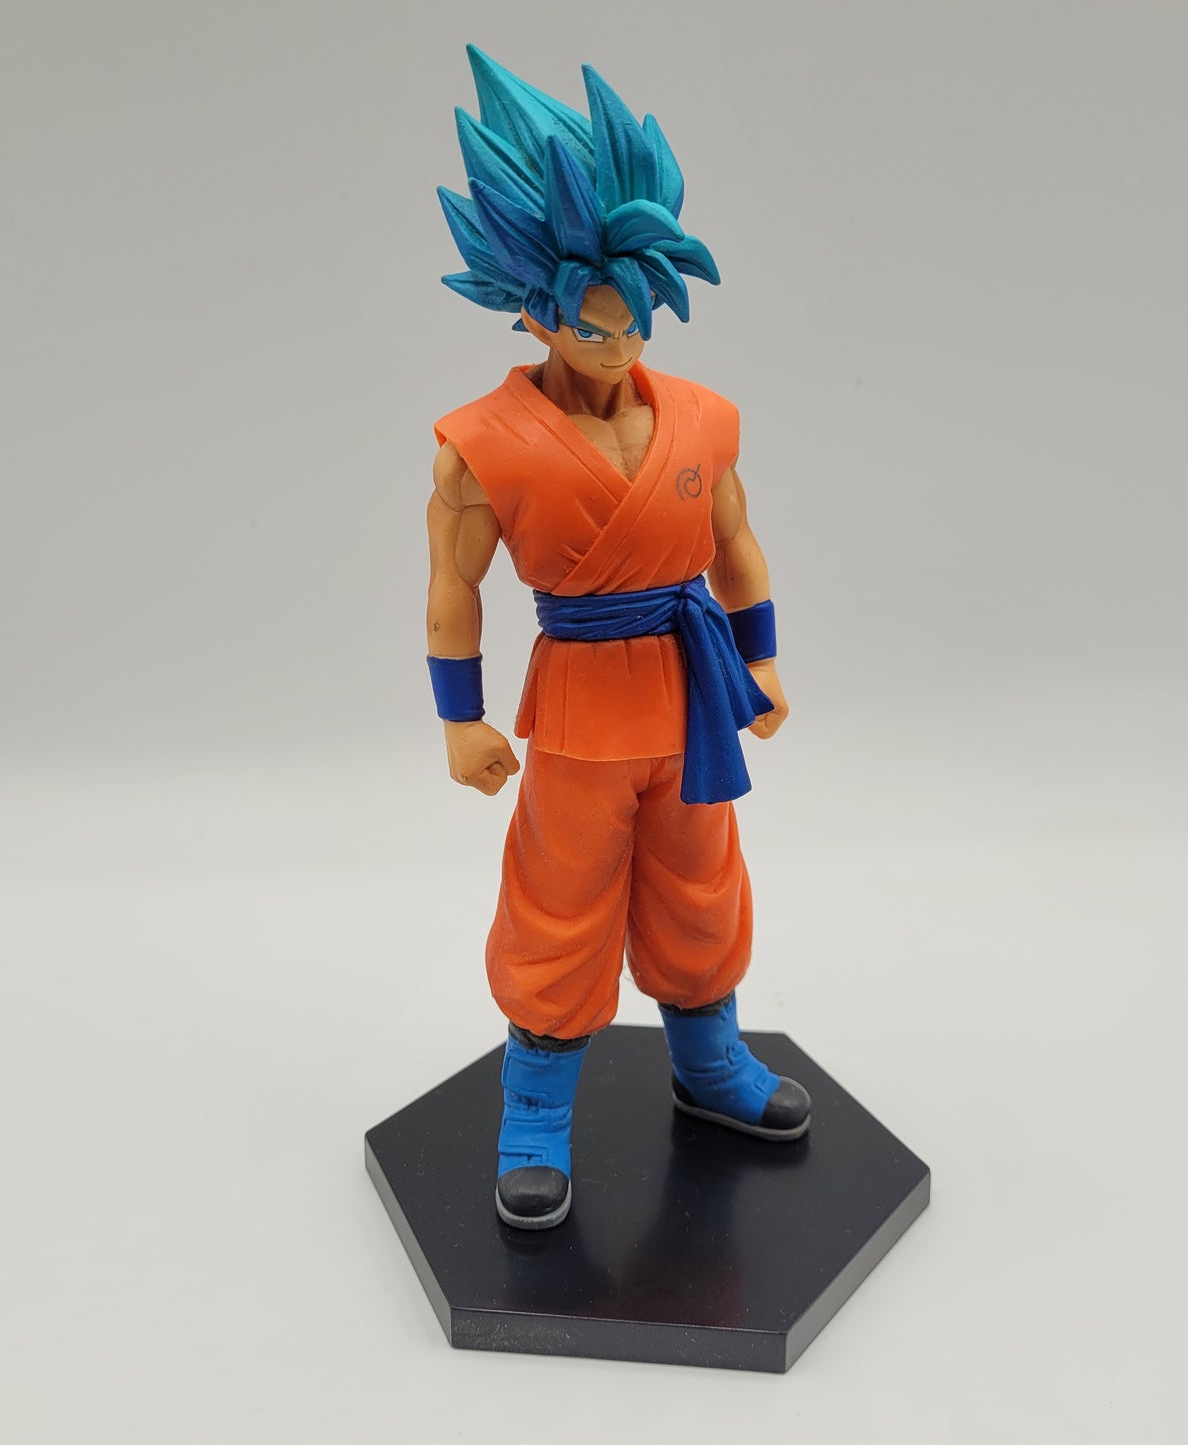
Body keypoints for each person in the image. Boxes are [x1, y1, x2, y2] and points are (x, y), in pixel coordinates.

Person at [426, 48, 810, 1231]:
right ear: (531, 306)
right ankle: (535, 1107)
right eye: (590, 323)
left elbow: (734, 542)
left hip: (691, 694)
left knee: (699, 879)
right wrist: (458, 718)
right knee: (560, 898)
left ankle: (708, 1059)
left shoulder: (699, 416)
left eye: (632, 318)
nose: (614, 340)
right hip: (581, 701)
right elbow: (451, 586)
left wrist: (758, 654)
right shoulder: (481, 443)